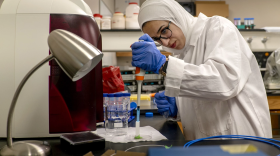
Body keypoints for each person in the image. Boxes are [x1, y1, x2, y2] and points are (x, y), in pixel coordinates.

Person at [130, 0, 272, 140]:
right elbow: (205, 100)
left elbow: (224, 81)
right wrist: (178, 108)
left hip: (242, 142)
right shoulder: (180, 53)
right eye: (158, 39)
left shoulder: (218, 27)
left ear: (176, 16)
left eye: (164, 31)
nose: (165, 42)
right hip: (207, 145)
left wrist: (164, 66)